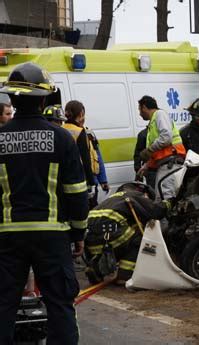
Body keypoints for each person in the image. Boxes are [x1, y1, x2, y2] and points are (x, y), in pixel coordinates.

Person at [0, 62, 88, 344]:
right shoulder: (62, 138)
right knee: (60, 304)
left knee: (3, 306)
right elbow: (76, 192)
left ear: (11, 99)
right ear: (43, 99)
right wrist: (78, 233)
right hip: (52, 236)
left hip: (8, 238)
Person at [84, 182, 169, 285]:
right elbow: (156, 211)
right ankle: (124, 274)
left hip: (90, 243)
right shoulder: (135, 195)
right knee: (143, 239)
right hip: (111, 236)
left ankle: (96, 269)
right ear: (143, 191)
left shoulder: (111, 199)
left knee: (117, 241)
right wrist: (169, 203)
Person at [138, 95, 186, 200]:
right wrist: (146, 166)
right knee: (161, 197)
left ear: (144, 107)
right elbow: (158, 153)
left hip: (170, 164)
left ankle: (169, 216)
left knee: (165, 197)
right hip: (167, 164)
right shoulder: (153, 123)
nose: (139, 114)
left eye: (140, 110)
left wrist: (149, 149)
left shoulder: (159, 114)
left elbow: (166, 137)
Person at [63, 100, 95, 194]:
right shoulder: (80, 131)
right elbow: (85, 159)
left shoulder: (60, 129)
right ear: (81, 114)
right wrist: (91, 182)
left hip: (63, 177)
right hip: (78, 178)